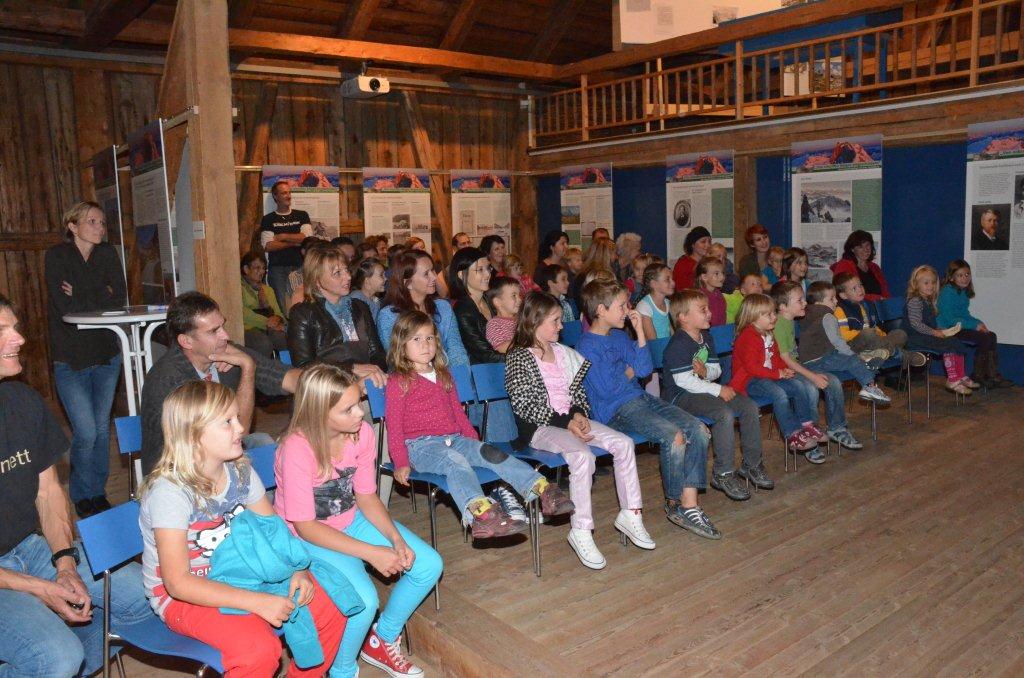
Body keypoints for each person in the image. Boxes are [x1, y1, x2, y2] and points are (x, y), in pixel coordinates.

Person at [139, 381, 346, 676]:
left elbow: (274, 532)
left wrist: (297, 569)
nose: (240, 428)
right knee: (257, 651)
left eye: (237, 417)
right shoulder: (170, 493)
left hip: (244, 571)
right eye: (227, 422)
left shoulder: (239, 469)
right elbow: (178, 584)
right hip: (185, 596)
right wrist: (257, 602)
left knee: (330, 605)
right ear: (194, 434)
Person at [0, 294, 152, 676]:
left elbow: (48, 492)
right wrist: (38, 588)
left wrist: (64, 564)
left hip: (30, 548)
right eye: (2, 331)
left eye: (14, 327)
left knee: (145, 600)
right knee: (57, 656)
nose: (19, 338)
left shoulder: (21, 400)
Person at [275, 364, 442, 678]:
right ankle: (342, 670)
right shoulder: (296, 449)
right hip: (308, 538)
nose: (360, 414)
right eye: (348, 409)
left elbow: (366, 496)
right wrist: (371, 552)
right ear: (319, 412)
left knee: (428, 565)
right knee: (364, 603)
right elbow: (305, 527)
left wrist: (395, 540)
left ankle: (383, 639)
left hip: (351, 519)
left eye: (358, 403)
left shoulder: (361, 433)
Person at [385, 311, 574, 539]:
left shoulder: (444, 375)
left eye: (429, 338)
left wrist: (476, 446)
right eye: (416, 339)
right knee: (455, 462)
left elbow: (457, 413)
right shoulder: (399, 381)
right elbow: (393, 426)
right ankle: (482, 514)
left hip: (455, 439)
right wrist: (401, 462)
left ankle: (541, 489)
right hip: (421, 447)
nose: (425, 344)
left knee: (491, 453)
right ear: (401, 344)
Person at [505, 292, 651, 570]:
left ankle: (631, 513)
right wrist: (568, 422)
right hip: (541, 427)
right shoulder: (519, 358)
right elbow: (526, 407)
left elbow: (578, 395)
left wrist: (580, 414)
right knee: (583, 456)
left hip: (568, 421)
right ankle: (581, 530)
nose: (561, 326)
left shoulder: (563, 353)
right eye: (555, 321)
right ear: (534, 321)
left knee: (623, 443)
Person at [576, 279, 719, 540]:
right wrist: (627, 372)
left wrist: (640, 332)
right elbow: (607, 390)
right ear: (601, 310)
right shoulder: (586, 346)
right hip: (615, 410)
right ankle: (674, 503)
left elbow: (643, 370)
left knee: (698, 430)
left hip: (639, 398)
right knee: (674, 437)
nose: (627, 310)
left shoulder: (620, 336)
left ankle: (690, 505)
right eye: (621, 306)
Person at [140, 291, 300, 475]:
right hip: (180, 474)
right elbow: (236, 434)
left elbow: (289, 378)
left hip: (220, 455)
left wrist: (322, 388)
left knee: (265, 443)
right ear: (186, 341)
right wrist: (248, 367)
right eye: (213, 331)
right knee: (264, 449)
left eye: (222, 326)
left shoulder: (224, 352)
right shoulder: (169, 380)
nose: (225, 335)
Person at [44, 201, 126, 517]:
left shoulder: (107, 254)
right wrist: (100, 293)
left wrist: (79, 291)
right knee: (87, 431)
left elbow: (119, 298)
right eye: (91, 221)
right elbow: (64, 307)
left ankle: (97, 492)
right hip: (71, 357)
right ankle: (81, 493)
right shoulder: (57, 256)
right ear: (73, 226)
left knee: (102, 430)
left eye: (102, 222)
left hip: (106, 353)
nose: (99, 227)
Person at [663, 290, 772, 500]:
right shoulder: (678, 343)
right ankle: (723, 472)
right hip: (681, 397)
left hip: (704, 390)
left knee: (749, 406)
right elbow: (683, 381)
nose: (709, 313)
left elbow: (716, 370)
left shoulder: (706, 337)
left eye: (708, 309)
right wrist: (718, 389)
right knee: (724, 414)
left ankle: (752, 464)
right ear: (683, 317)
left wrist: (706, 372)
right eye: (703, 310)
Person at [771, 282, 865, 453]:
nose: (805, 303)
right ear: (783, 307)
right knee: (811, 389)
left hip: (796, 366)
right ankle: (809, 434)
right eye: (799, 300)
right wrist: (813, 376)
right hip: (785, 370)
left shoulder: (789, 320)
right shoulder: (779, 325)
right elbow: (786, 360)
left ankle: (837, 428)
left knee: (833, 381)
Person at [729, 294, 824, 459]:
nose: (774, 317)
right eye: (769, 314)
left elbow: (776, 358)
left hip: (767, 377)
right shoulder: (747, 337)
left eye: (774, 313)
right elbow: (752, 368)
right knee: (779, 393)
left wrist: (783, 370)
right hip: (749, 381)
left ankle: (806, 425)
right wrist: (777, 373)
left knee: (798, 386)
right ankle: (792, 433)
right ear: (753, 317)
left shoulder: (768, 333)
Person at [286, 246, 387, 384]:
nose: (348, 277)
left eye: (346, 270)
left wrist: (375, 373)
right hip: (328, 387)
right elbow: (304, 366)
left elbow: (377, 352)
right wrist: (350, 369)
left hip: (367, 382)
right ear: (317, 280)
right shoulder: (303, 314)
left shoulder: (360, 307)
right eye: (337, 273)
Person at [797, 281, 892, 404]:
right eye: (831, 299)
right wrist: (852, 354)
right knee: (853, 360)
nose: (836, 301)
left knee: (854, 360)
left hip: (808, 361)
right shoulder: (827, 316)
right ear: (819, 303)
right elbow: (837, 341)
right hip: (821, 359)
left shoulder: (806, 314)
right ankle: (870, 387)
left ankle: (868, 361)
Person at [376, 250, 468, 367]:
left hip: (446, 372)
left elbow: (457, 350)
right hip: (409, 375)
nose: (434, 277)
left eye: (433, 270)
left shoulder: (443, 308)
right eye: (426, 274)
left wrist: (460, 374)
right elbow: (397, 359)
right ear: (408, 283)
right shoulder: (389, 315)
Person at [937, 260, 1012, 388]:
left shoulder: (962, 292)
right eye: (960, 275)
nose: (965, 278)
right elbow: (950, 319)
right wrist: (974, 326)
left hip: (957, 327)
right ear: (951, 277)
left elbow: (964, 315)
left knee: (991, 335)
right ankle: (979, 375)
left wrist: (978, 323)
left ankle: (991, 374)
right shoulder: (947, 292)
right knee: (983, 338)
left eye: (967, 274)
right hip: (948, 329)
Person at [904, 265, 976, 395]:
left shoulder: (928, 301)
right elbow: (916, 324)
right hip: (914, 338)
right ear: (916, 284)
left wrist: (942, 330)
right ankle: (952, 379)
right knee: (947, 345)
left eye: (933, 283)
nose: (930, 286)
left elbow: (930, 324)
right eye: (926, 283)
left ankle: (960, 375)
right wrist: (934, 332)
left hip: (925, 335)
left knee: (954, 341)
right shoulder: (915, 301)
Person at [834, 271, 914, 363]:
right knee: (869, 334)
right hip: (854, 345)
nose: (860, 290)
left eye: (860, 285)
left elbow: (873, 326)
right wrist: (863, 332)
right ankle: (896, 353)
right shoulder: (840, 310)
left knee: (900, 334)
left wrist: (882, 335)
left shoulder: (866, 305)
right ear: (843, 295)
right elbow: (842, 335)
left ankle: (882, 353)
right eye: (854, 288)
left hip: (873, 342)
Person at [261, 180, 315, 312]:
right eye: (284, 193)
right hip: (278, 269)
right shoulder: (268, 219)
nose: (288, 196)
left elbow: (307, 238)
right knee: (283, 305)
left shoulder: (302, 215)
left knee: (304, 302)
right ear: (275, 196)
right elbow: (268, 246)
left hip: (300, 266)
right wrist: (294, 242)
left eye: (289, 192)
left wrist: (283, 236)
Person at [241, 251, 288, 360]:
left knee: (283, 338)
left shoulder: (268, 290)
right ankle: (263, 370)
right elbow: (243, 314)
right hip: (249, 327)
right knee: (263, 344)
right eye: (257, 268)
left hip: (270, 325)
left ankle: (287, 367)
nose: (262, 271)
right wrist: (266, 322)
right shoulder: (239, 288)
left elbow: (279, 314)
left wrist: (276, 318)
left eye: (263, 268)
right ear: (246, 269)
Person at [830, 230, 891, 301]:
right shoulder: (844, 266)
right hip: (855, 306)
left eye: (867, 245)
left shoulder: (875, 267)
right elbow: (845, 293)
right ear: (852, 249)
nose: (865, 249)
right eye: (860, 246)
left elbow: (885, 291)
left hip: (878, 305)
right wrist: (877, 298)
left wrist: (887, 302)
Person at [571, 238, 616, 310]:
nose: (616, 256)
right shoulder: (600, 275)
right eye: (614, 253)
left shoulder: (582, 272)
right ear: (607, 254)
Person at [636, 263, 675, 341]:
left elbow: (669, 328)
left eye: (672, 279)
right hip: (654, 346)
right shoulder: (644, 306)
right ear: (653, 284)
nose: (673, 283)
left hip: (666, 345)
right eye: (667, 280)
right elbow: (652, 341)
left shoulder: (667, 302)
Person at [484, 277, 523, 353]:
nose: (520, 299)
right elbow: (501, 349)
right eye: (514, 296)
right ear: (498, 302)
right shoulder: (494, 324)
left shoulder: (522, 318)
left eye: (519, 295)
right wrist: (526, 338)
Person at [672, 226, 712, 291]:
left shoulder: (709, 262)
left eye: (709, 242)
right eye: (703, 242)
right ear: (693, 245)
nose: (708, 245)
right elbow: (681, 289)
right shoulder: (683, 263)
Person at [350, 257, 386, 323]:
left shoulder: (376, 301)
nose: (386, 279)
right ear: (367, 281)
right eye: (381, 275)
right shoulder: (356, 298)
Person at [695, 256, 728, 327]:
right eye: (716, 273)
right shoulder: (700, 297)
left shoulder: (718, 294)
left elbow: (723, 316)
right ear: (704, 277)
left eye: (722, 272)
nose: (722, 277)